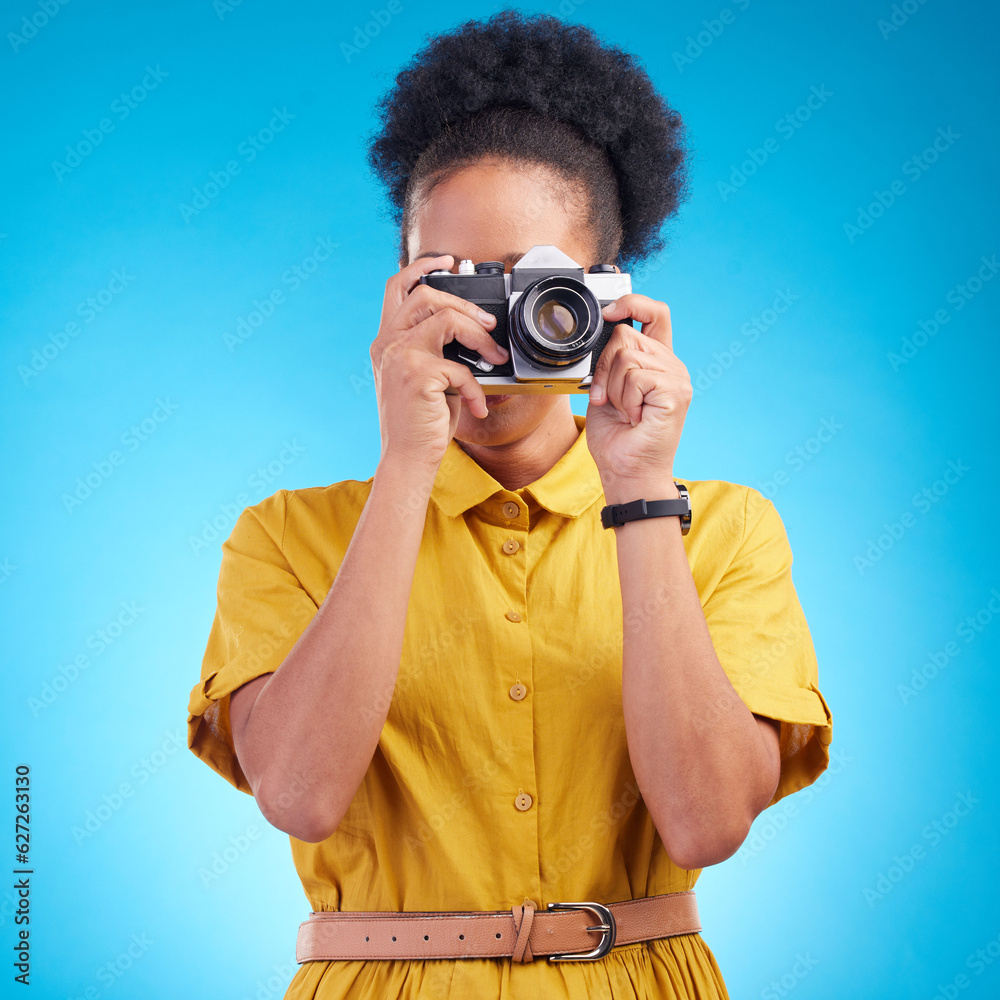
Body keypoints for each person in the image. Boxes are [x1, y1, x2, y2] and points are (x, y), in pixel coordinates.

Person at [186, 10, 833, 999]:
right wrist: (406, 466)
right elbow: (302, 796)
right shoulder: (286, 536)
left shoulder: (723, 528)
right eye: (456, 287)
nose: (490, 332)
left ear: (606, 296)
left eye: (530, 289)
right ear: (401, 287)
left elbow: (706, 823)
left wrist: (639, 489)